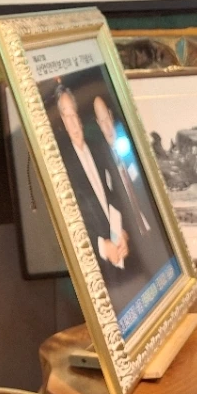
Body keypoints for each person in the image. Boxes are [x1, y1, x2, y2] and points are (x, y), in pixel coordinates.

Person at [51, 82, 131, 276]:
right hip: (94, 267)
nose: (72, 122)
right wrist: (102, 247)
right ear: (61, 122)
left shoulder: (99, 149)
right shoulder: (61, 166)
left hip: (123, 253)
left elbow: (116, 195)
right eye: (66, 116)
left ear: (79, 116)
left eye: (73, 114)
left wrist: (125, 233)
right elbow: (66, 221)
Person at [92, 94, 151, 233]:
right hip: (132, 231)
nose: (107, 127)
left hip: (151, 219)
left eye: (107, 119)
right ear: (98, 124)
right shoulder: (102, 161)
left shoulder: (133, 145)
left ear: (111, 116)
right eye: (102, 122)